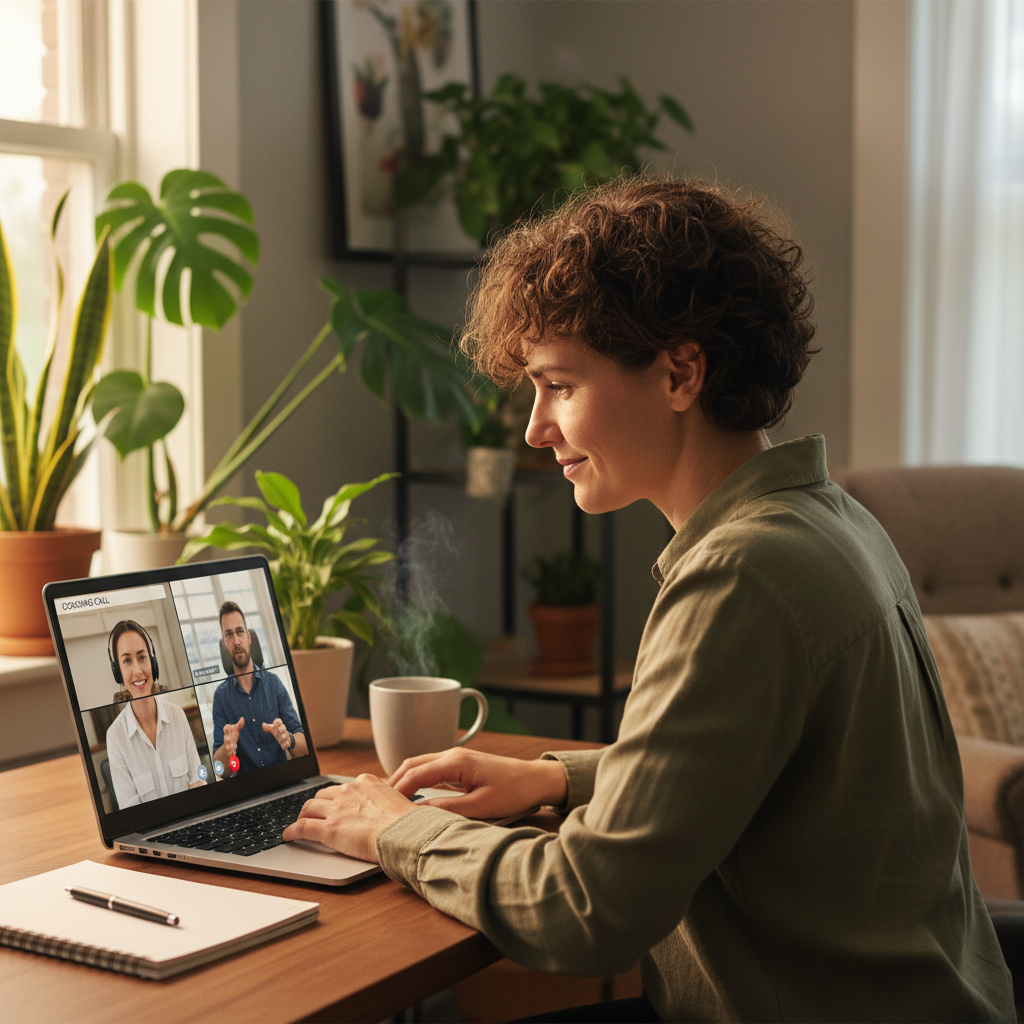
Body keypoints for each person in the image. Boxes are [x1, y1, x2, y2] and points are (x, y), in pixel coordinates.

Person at [282, 176, 1014, 1022]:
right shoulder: (829, 520)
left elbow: (585, 912)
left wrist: (391, 829)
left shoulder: (742, 574)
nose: (534, 427)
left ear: (679, 373)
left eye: (559, 384)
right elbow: (764, 770)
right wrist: (554, 780)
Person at [105, 619, 205, 808]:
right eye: (127, 660)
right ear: (118, 672)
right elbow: (133, 814)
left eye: (142, 657)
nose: (137, 670)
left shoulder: (178, 716)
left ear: (153, 663)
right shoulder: (115, 737)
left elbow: (197, 782)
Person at [211, 601, 306, 776]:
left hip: (282, 779)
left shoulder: (274, 683)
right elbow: (219, 770)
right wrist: (227, 748)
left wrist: (290, 739)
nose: (236, 641)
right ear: (224, 643)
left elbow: (304, 749)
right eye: (229, 635)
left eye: (240, 632)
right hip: (247, 789)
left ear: (249, 637)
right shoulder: (221, 697)